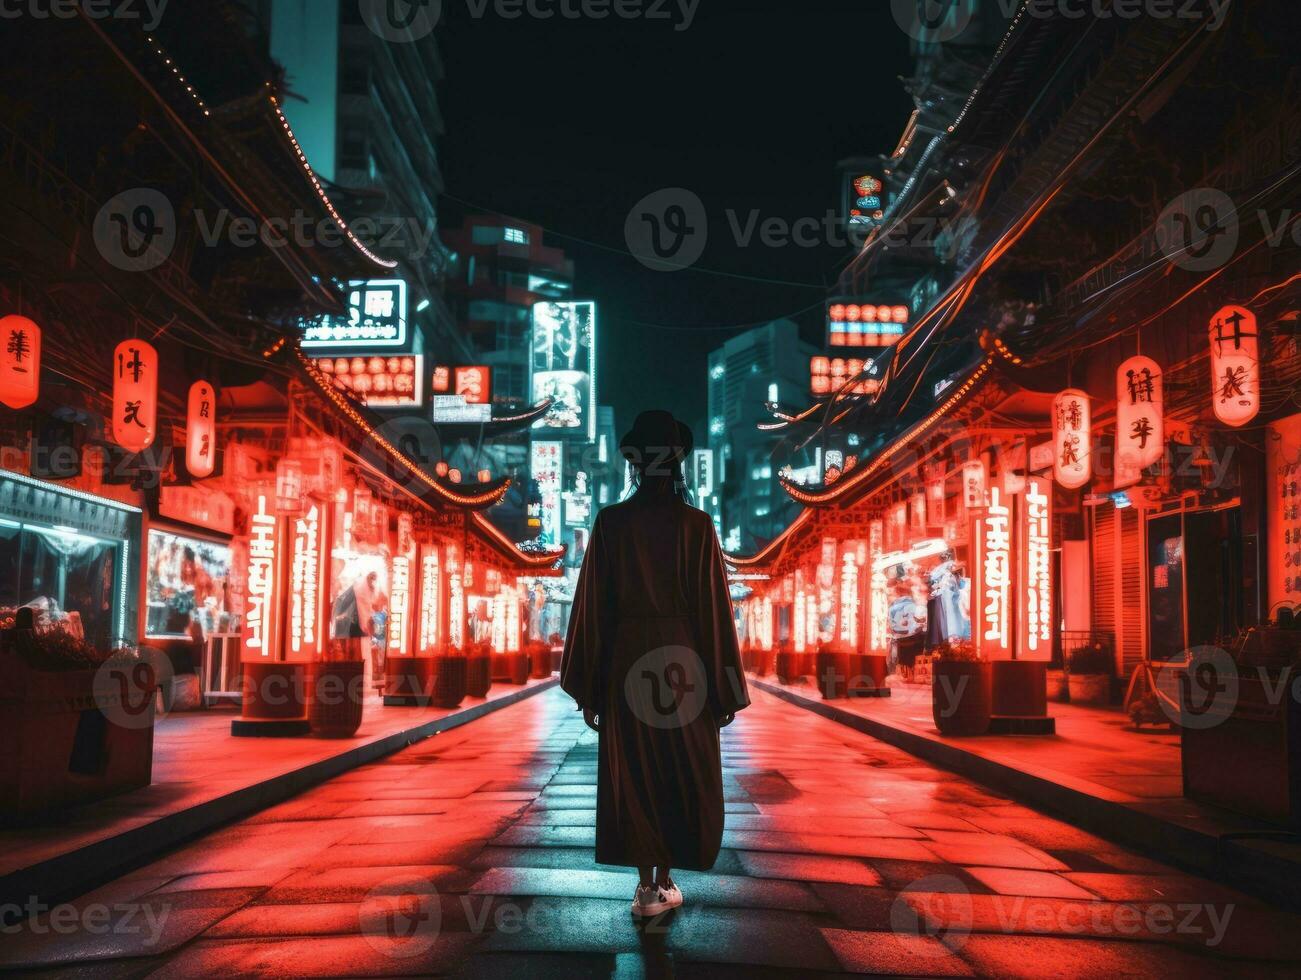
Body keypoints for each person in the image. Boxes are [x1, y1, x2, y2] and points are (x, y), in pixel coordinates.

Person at [561, 410, 750, 918]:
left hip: (626, 663)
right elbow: (714, 610)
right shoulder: (697, 525)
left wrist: (590, 687)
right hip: (684, 664)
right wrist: (726, 688)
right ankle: (667, 879)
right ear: (679, 465)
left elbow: (593, 609)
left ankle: (645, 886)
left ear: (634, 466)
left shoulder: (610, 523)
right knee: (680, 769)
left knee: (634, 769)